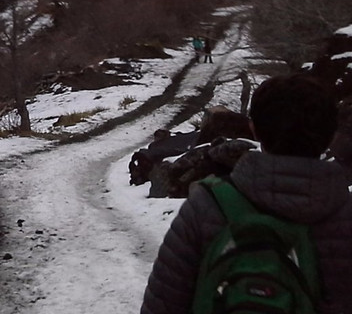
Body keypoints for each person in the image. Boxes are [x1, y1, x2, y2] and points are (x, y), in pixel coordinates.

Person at [139, 73, 352, 314]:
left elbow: (161, 305)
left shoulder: (207, 206)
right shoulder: (346, 218)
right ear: (331, 135)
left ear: (254, 129)